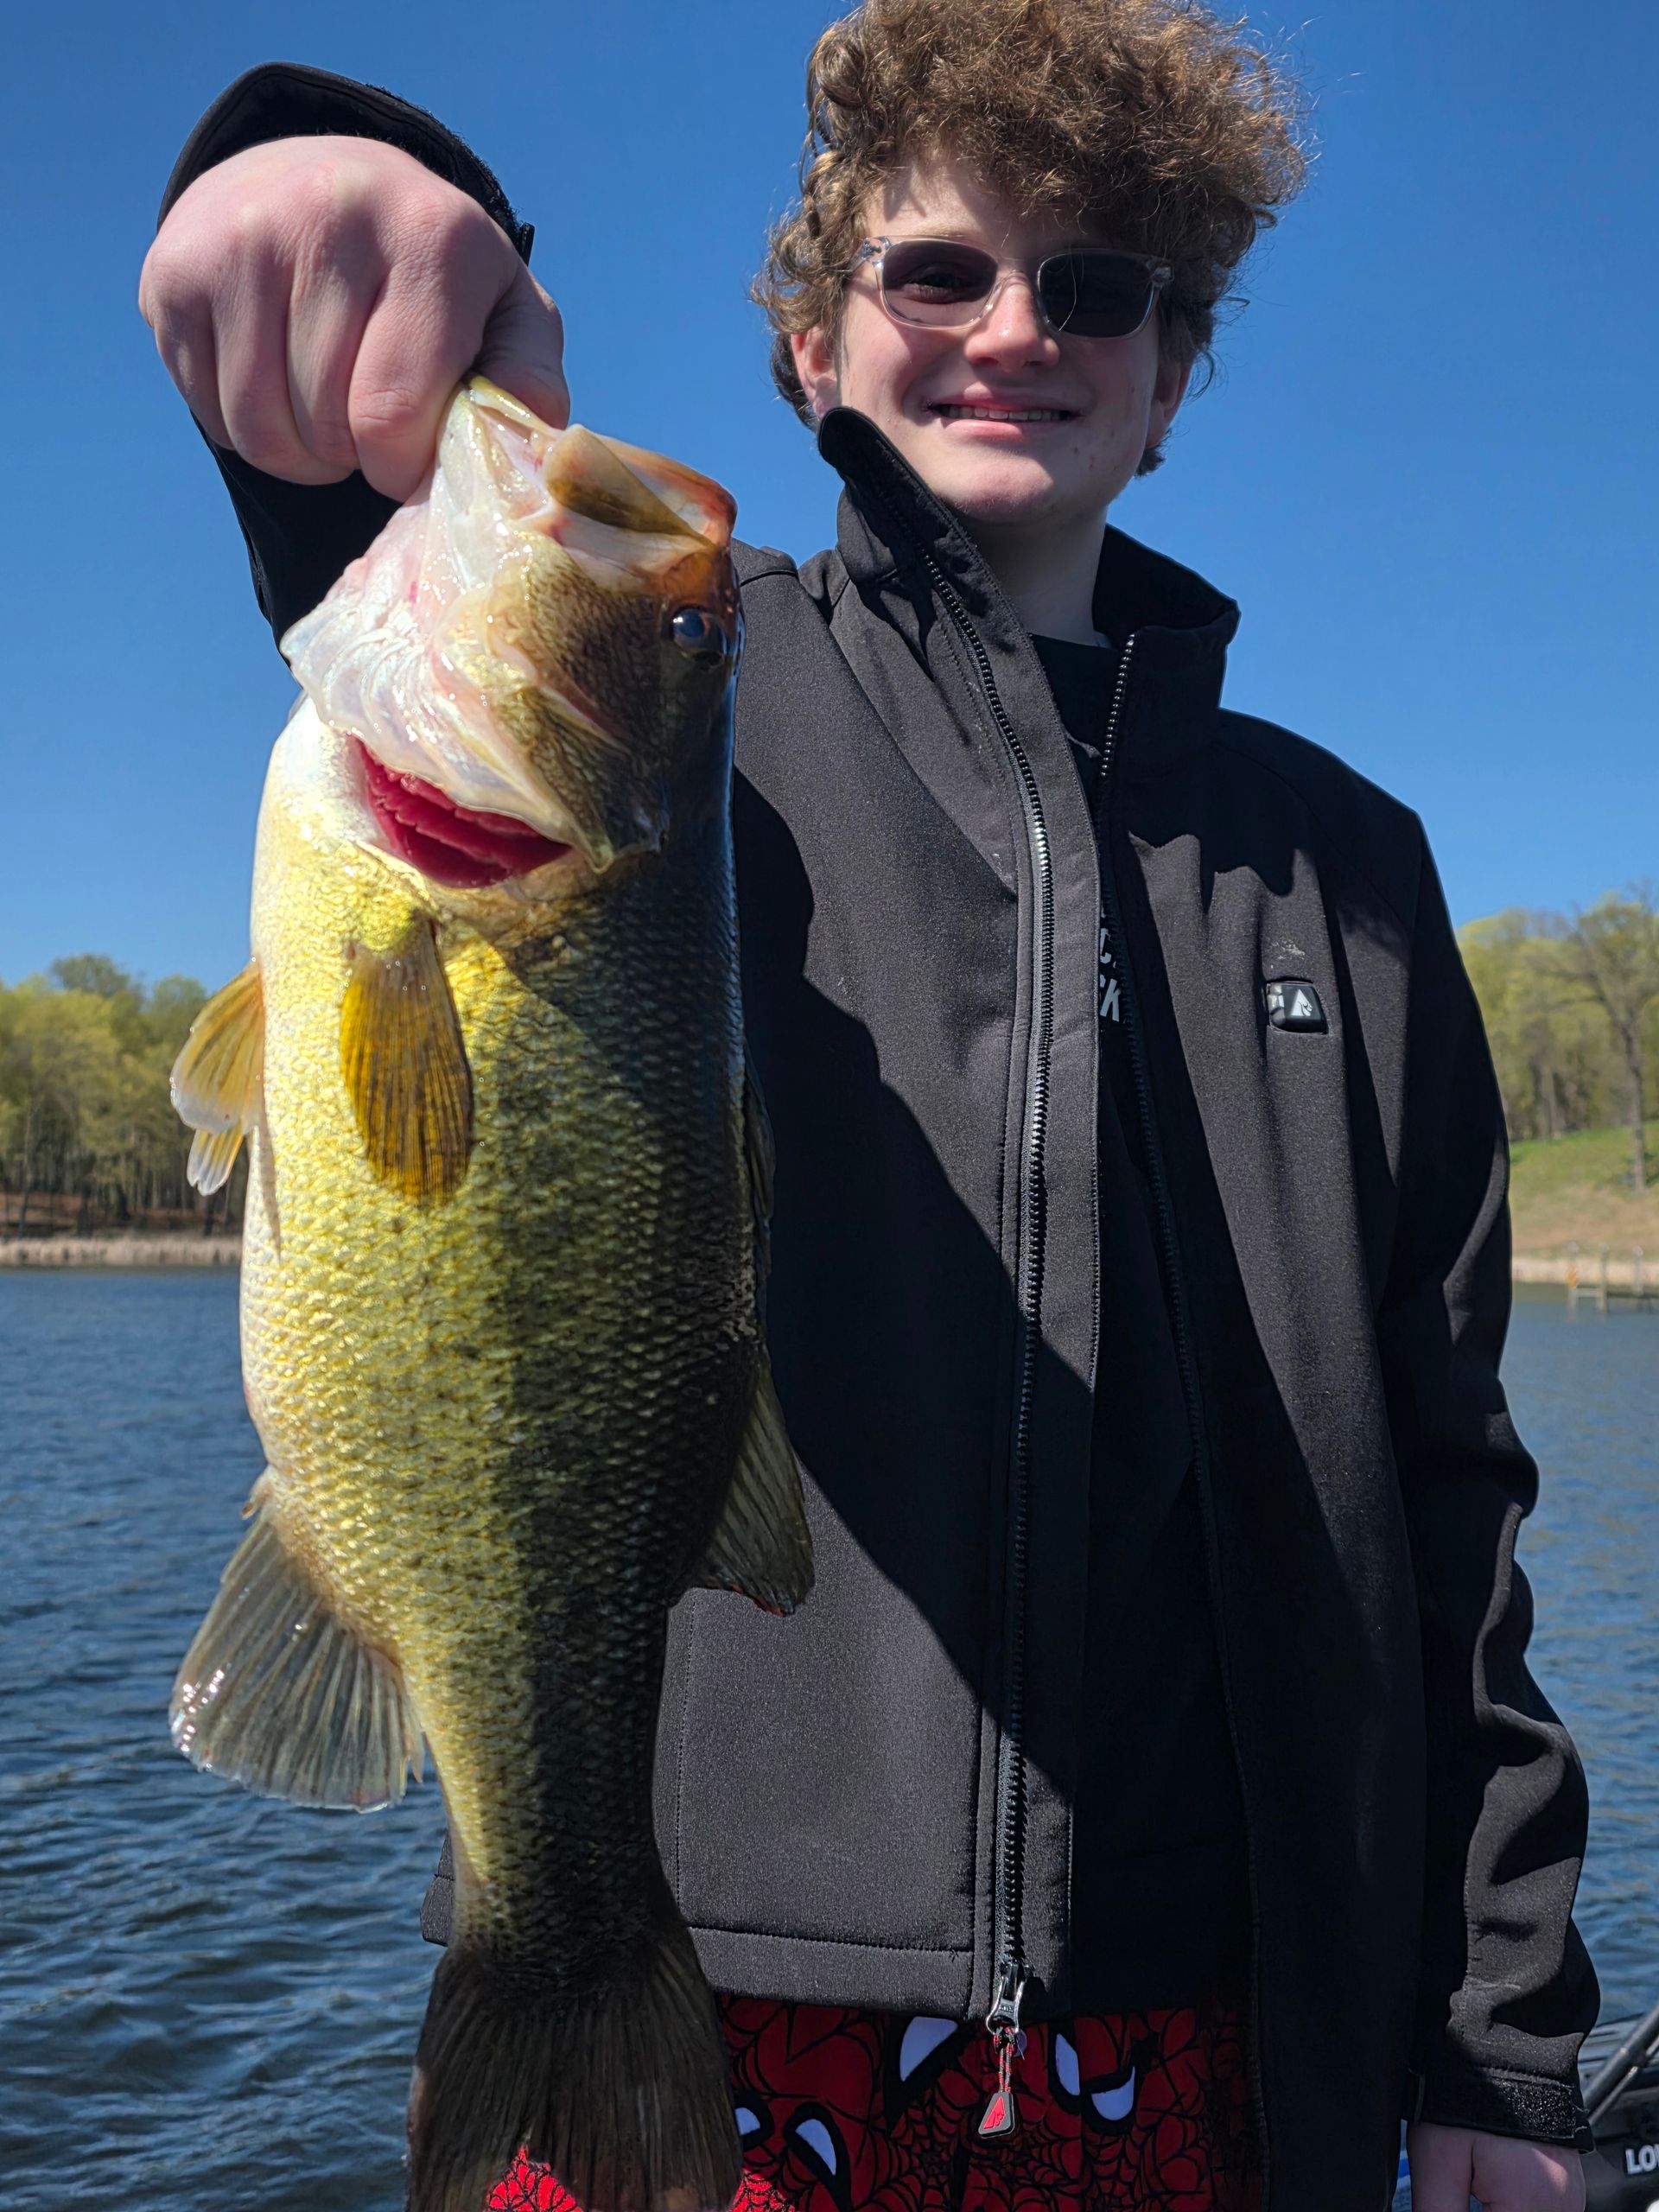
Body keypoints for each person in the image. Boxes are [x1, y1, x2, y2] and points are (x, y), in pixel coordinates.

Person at [140, 6, 1599, 2208]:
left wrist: (1498, 2036)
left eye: (1095, 285)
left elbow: (1454, 1491)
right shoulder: (682, 710)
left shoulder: (1350, 872)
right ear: (814, 342)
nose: (1016, 328)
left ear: (1172, 381)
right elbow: (374, 481)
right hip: (702, 2005)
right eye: (938, 270)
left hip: (1217, 2036)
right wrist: (325, 166)